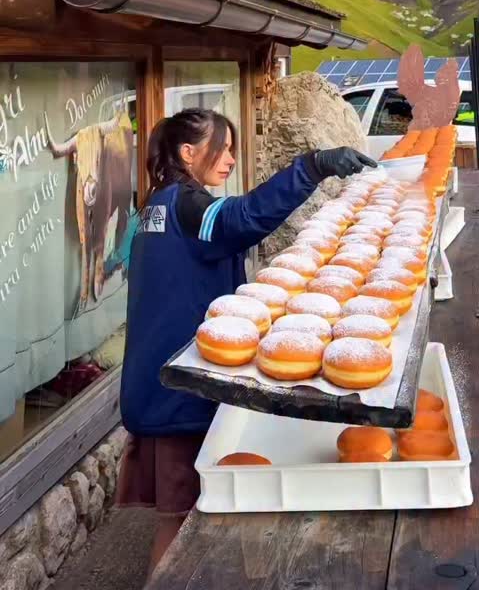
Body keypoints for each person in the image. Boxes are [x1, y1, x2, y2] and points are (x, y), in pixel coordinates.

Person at [115, 107, 375, 578]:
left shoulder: (155, 206)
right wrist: (311, 166)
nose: (231, 159)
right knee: (180, 522)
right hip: (177, 394)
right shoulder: (186, 206)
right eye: (224, 147)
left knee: (190, 517)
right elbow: (244, 217)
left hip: (160, 381)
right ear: (188, 152)